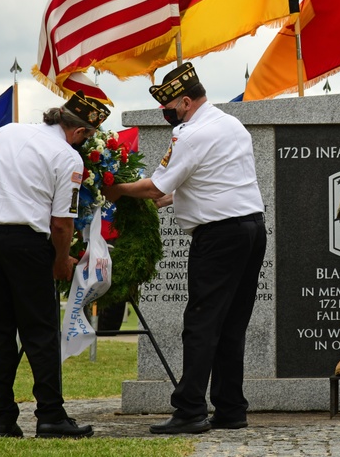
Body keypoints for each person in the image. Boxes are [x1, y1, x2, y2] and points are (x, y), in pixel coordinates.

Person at [102, 61, 266, 435]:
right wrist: (161, 200)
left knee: (201, 323)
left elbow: (155, 187)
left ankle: (190, 409)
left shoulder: (190, 134)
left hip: (219, 236)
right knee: (231, 323)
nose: (168, 114)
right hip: (251, 230)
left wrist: (117, 190)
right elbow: (209, 182)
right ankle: (230, 408)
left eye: (170, 106)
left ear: (186, 102)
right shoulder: (230, 123)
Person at [0, 90, 110, 439]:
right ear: (80, 133)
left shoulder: (7, 132)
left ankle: (1, 417)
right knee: (40, 332)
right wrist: (61, 260)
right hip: (27, 244)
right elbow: (61, 223)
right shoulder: (67, 157)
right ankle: (50, 414)